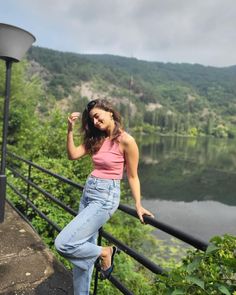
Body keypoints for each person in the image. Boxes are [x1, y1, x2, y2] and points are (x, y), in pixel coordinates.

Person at [54, 99, 154, 295]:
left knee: (64, 243)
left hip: (105, 197)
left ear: (110, 112)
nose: (95, 121)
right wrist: (69, 129)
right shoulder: (96, 139)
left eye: (97, 116)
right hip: (88, 193)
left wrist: (138, 204)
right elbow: (73, 155)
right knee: (82, 251)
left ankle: (105, 251)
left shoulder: (127, 141)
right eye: (91, 119)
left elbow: (133, 176)